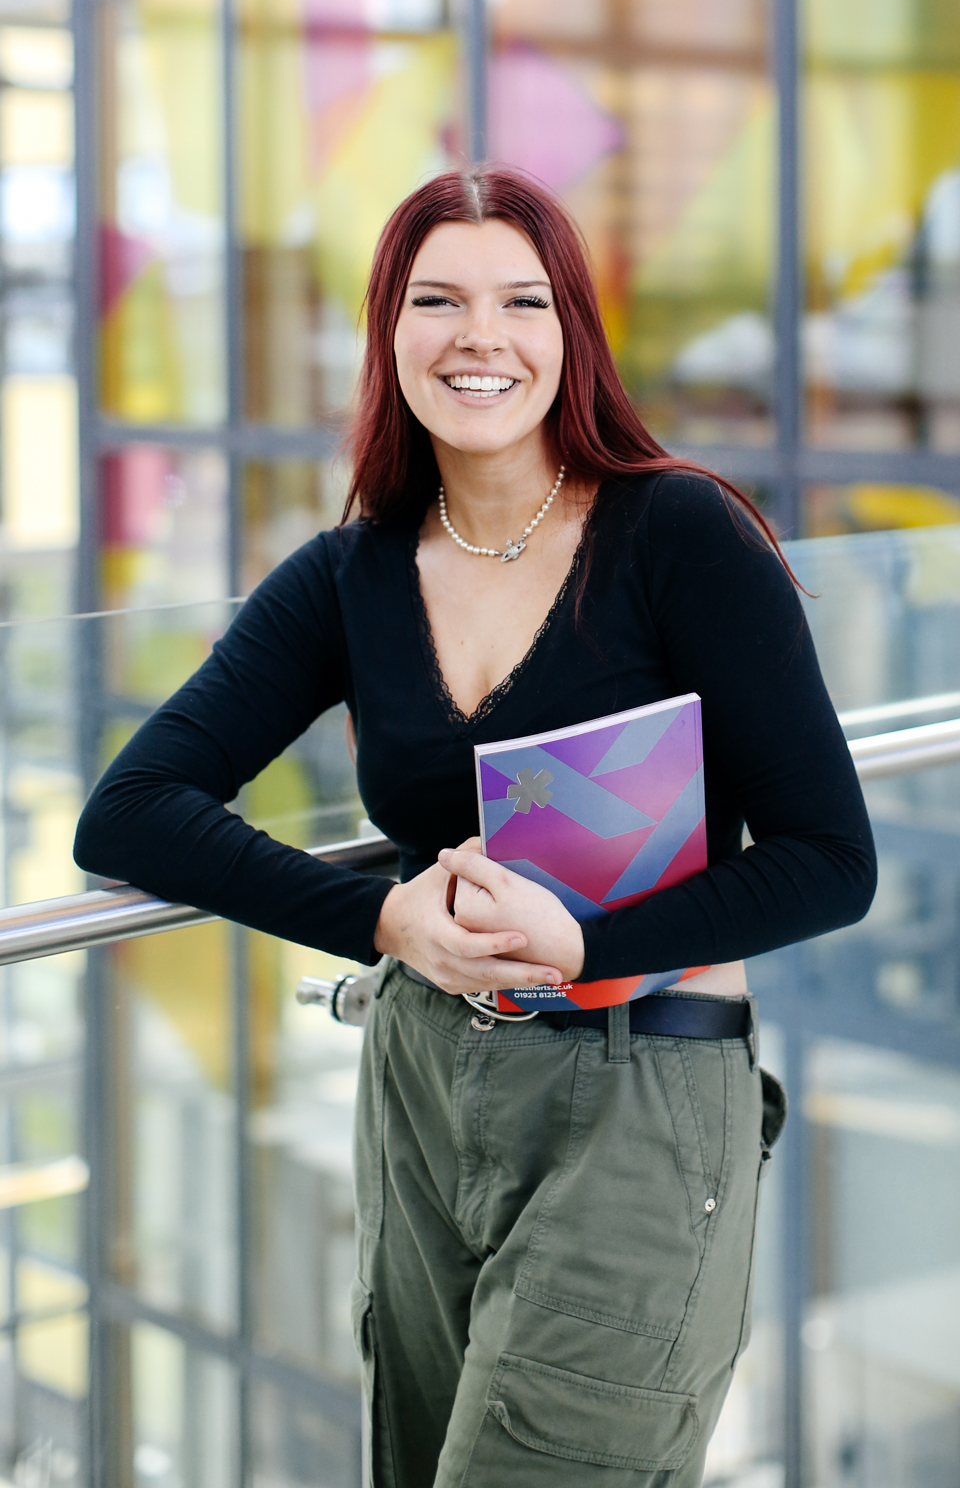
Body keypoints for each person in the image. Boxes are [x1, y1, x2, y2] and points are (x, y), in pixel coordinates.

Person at [75, 168, 876, 1486]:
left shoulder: (678, 532)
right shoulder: (350, 572)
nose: (479, 337)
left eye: (522, 299)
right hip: (420, 1083)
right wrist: (380, 917)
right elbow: (131, 812)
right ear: (388, 333)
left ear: (571, 334)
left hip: (639, 1081)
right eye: (437, 299)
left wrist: (587, 937)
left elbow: (829, 861)